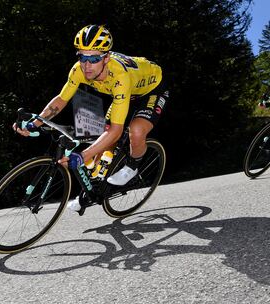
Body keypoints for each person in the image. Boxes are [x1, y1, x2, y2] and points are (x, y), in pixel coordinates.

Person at [14, 24, 169, 211]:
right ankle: (93, 190)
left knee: (135, 131)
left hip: (151, 90)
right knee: (102, 135)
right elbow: (62, 99)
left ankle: (132, 167)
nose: (87, 65)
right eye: (82, 57)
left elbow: (117, 130)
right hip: (123, 94)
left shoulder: (120, 76)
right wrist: (35, 122)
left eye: (94, 58)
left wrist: (82, 155)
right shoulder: (78, 70)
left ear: (106, 57)